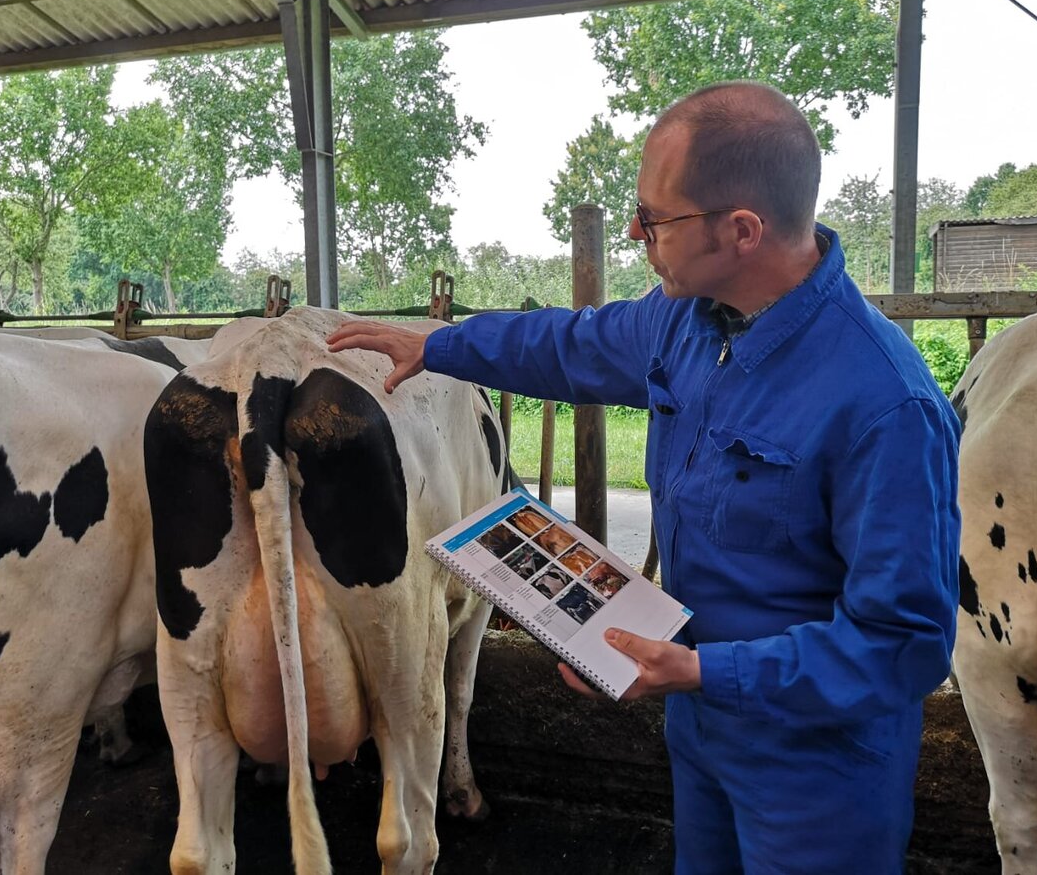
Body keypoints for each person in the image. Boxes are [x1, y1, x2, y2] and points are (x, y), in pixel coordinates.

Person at [327, 81, 960, 874]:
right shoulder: (686, 319)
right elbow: (566, 344)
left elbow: (904, 644)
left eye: (656, 217)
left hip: (817, 768)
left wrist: (701, 670)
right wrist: (438, 344)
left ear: (741, 231)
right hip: (700, 729)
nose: (636, 231)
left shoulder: (885, 404)